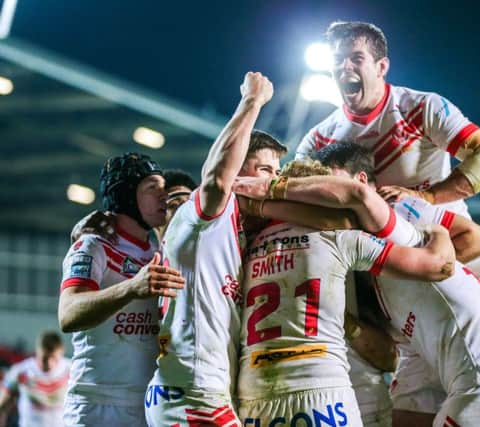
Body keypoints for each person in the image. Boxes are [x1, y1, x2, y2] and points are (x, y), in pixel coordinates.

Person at [296, 20, 480, 363]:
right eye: (338, 60)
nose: (344, 68)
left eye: (356, 58)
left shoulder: (420, 107)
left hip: (452, 245)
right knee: (396, 365)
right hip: (379, 268)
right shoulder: (319, 139)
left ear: (381, 67)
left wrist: (426, 198)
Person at [236, 149, 480, 426]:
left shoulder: (397, 216)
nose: (322, 195)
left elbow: (454, 255)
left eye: (326, 188)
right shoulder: (373, 269)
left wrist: (263, 196)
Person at [236, 160, 456, 427]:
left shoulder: (244, 248)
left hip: (254, 395)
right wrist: (439, 231)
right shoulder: (340, 238)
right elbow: (439, 266)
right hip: (321, 388)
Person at [144, 72, 282, 427]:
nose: (274, 180)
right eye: (265, 169)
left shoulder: (234, 232)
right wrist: (252, 102)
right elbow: (218, 179)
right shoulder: (205, 214)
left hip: (201, 389)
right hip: (191, 391)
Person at [58, 152, 185, 426]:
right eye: (153, 188)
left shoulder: (158, 251)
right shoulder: (93, 245)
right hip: (97, 404)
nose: (164, 196)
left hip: (148, 403)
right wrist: (131, 288)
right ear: (126, 196)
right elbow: (68, 314)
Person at [0, 331, 70, 427]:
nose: (49, 363)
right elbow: (2, 406)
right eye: (44, 358)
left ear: (61, 351)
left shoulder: (72, 370)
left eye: (53, 358)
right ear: (37, 351)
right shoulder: (21, 371)